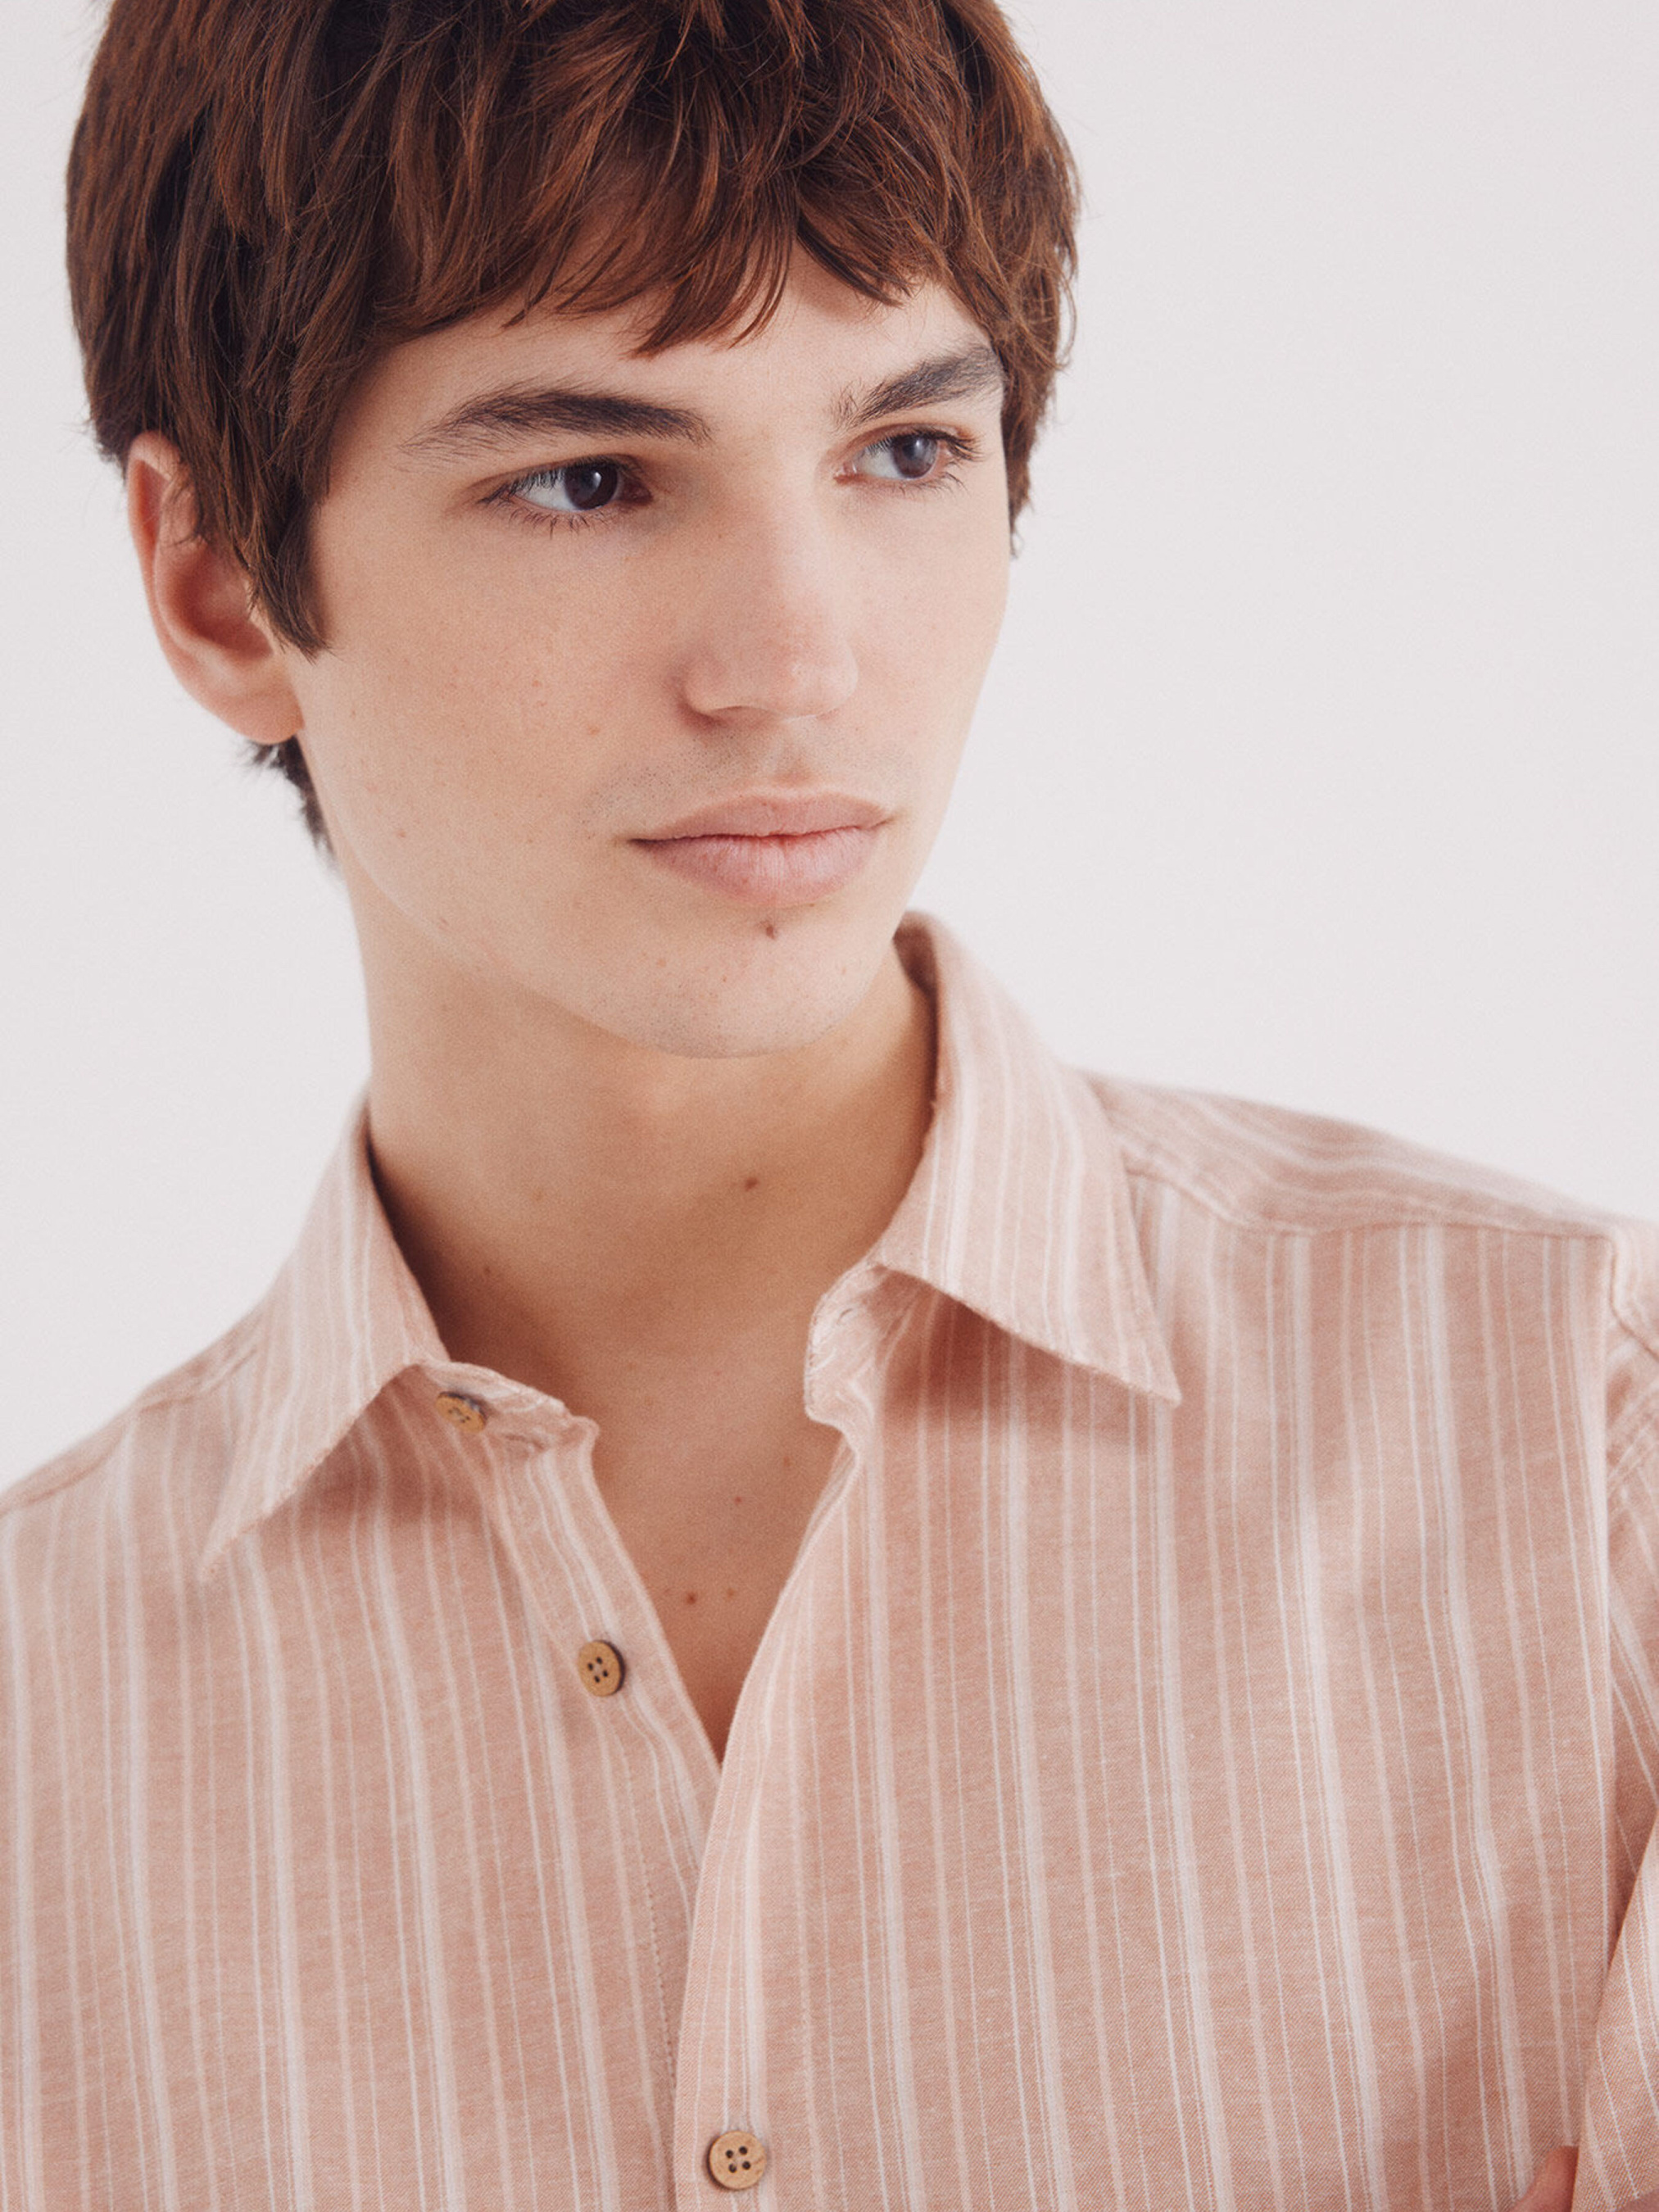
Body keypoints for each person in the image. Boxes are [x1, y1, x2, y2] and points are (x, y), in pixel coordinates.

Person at [1, 0, 1656, 2204]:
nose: (798, 660)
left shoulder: (1579, 1457)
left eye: (903, 452)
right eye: (588, 479)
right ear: (220, 589)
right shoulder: (35, 1744)